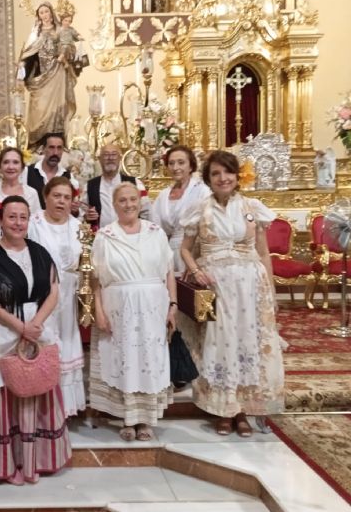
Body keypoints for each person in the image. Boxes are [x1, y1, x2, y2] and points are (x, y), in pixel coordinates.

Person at [179, 150, 284, 437]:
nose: (222, 178)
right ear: (208, 180)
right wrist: (195, 270)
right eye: (215, 173)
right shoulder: (200, 209)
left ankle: (243, 411)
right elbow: (185, 248)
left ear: (237, 176)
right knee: (220, 345)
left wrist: (271, 292)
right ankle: (223, 410)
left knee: (247, 345)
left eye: (227, 172)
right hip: (217, 288)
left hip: (251, 290)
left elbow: (263, 252)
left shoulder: (251, 207)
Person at [0, 195, 71, 485]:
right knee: (6, 393)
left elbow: (54, 290)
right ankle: (8, 465)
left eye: (23, 217)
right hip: (3, 330)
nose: (17, 223)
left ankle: (36, 461)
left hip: (37, 328)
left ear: (30, 220)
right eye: (12, 216)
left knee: (35, 387)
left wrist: (36, 324)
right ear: (1, 220)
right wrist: (21, 327)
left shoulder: (40, 252)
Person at [89, 182, 176, 441]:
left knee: (148, 359)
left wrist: (173, 305)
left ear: (140, 202)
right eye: (122, 201)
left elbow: (169, 271)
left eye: (132, 199)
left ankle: (145, 420)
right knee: (121, 359)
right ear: (114, 206)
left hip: (152, 306)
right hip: (117, 307)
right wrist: (99, 311)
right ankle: (125, 417)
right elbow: (95, 278)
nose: (128, 204)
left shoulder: (155, 232)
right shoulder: (105, 236)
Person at [28, 177, 85, 417]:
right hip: (41, 294)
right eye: (57, 196)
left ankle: (65, 408)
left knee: (67, 344)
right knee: (44, 342)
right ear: (45, 196)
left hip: (70, 294)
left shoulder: (78, 226)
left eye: (67, 197)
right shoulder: (34, 223)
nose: (61, 201)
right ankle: (43, 407)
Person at [19, 2, 77, 148]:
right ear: (38, 16)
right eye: (41, 12)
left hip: (57, 72)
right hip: (40, 78)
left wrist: (65, 53)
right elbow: (28, 54)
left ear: (51, 13)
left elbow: (71, 46)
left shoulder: (60, 29)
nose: (44, 15)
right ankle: (37, 144)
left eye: (46, 11)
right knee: (37, 109)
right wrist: (22, 69)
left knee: (56, 108)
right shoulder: (35, 33)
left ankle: (56, 141)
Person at [152, 145, 211, 276]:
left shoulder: (202, 190)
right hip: (169, 253)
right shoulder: (163, 195)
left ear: (191, 166)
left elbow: (208, 226)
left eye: (181, 162)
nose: (175, 167)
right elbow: (155, 228)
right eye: (171, 163)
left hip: (195, 252)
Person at [0, 147, 41, 248]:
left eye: (15, 162)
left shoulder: (31, 193)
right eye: (6, 162)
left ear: (22, 167)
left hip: (23, 244)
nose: (10, 167)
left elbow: (36, 224)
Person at [82, 143, 151, 227]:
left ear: (120, 158)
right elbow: (82, 212)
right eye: (106, 155)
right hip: (101, 236)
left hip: (129, 235)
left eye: (114, 154)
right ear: (99, 159)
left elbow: (147, 212)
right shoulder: (90, 186)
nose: (110, 158)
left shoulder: (135, 183)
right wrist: (87, 216)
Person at [25, 132, 79, 211]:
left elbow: (74, 211)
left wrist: (74, 210)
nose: (55, 152)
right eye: (51, 147)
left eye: (59, 148)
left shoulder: (69, 177)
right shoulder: (27, 172)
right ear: (43, 149)